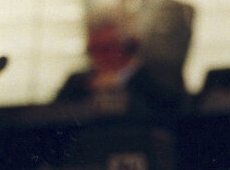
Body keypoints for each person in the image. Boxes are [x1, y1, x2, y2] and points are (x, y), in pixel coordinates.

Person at [55, 7, 185, 115]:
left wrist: (120, 83)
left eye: (106, 49)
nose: (98, 58)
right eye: (92, 50)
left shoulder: (162, 78)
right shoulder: (77, 82)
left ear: (130, 45)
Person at [119, 0, 195, 98]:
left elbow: (169, 60)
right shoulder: (125, 11)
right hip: (129, 99)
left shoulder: (181, 10)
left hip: (165, 99)